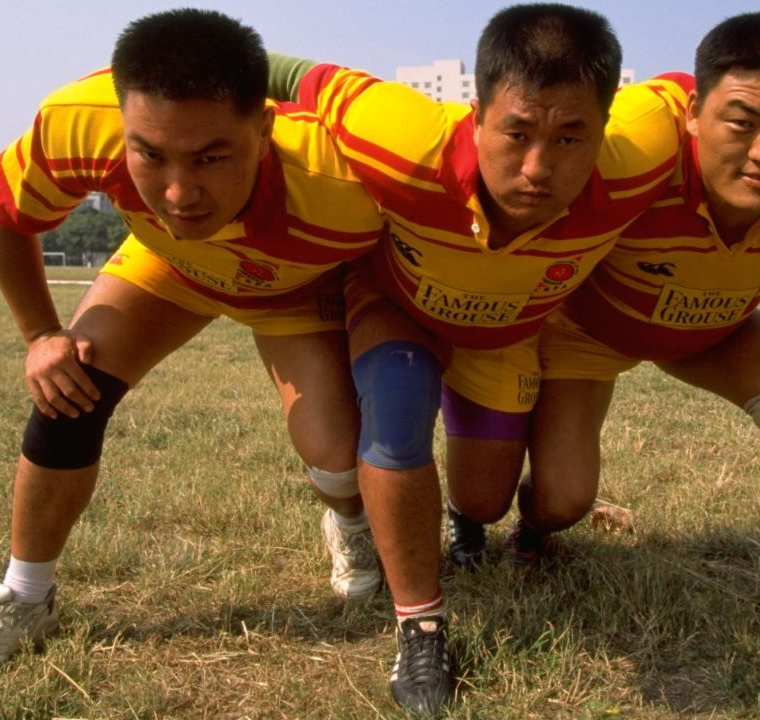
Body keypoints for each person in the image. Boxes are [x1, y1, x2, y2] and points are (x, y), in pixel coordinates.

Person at [0, 9, 386, 697]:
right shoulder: (82, 121)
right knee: (69, 392)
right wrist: (42, 334)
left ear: (264, 128)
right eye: (150, 154)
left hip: (291, 288)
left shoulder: (344, 182)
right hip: (169, 266)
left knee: (337, 457)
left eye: (210, 157)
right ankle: (24, 597)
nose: (177, 190)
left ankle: (349, 521)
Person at [268, 3, 686, 713]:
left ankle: (470, 520)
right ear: (477, 110)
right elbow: (286, 71)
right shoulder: (399, 135)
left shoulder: (643, 153)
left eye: (570, 138)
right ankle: (421, 628)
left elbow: (709, 91)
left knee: (489, 502)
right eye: (517, 132)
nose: (536, 168)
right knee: (395, 420)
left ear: (607, 129)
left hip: (505, 331)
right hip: (398, 303)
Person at [515, 11, 760, 659]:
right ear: (693, 111)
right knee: (562, 501)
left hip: (714, 328)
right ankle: (532, 519)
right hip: (588, 331)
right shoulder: (628, 148)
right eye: (741, 123)